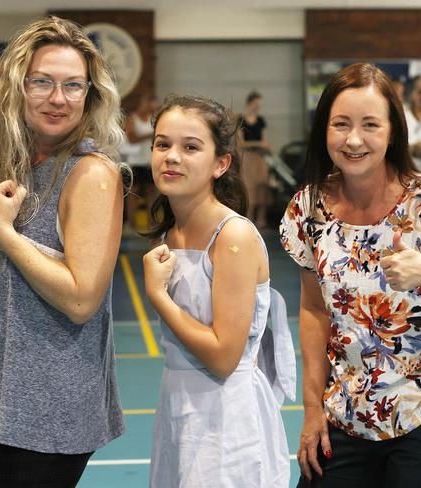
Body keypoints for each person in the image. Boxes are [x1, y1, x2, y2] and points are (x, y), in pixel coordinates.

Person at [280, 63, 421, 488]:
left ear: (392, 132)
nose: (354, 139)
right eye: (340, 124)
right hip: (350, 408)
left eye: (370, 124)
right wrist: (312, 410)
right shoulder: (308, 209)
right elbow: (313, 309)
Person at [0, 16, 128, 488]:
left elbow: (82, 300)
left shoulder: (91, 174)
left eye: (73, 86)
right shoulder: (0, 162)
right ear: (14, 88)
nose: (58, 98)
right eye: (42, 82)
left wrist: (5, 230)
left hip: (45, 409)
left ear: (89, 96)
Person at [143, 94, 295, 487]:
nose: (172, 156)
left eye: (190, 147)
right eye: (162, 144)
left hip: (226, 418)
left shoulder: (233, 236)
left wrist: (159, 297)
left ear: (220, 163)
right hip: (178, 406)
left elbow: (224, 356)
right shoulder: (170, 234)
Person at [120, 93, 158, 230]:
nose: (148, 106)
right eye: (146, 103)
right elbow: (132, 138)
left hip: (148, 162)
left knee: (151, 193)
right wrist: (149, 135)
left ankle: (151, 224)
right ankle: (132, 225)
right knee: (133, 194)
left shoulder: (153, 119)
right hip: (135, 162)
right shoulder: (132, 119)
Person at [239, 91, 271, 228]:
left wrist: (260, 145)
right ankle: (249, 215)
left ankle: (261, 217)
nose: (258, 107)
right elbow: (241, 143)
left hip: (259, 156)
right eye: (256, 104)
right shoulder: (240, 119)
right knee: (248, 186)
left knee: (263, 184)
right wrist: (258, 144)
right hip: (246, 157)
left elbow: (265, 141)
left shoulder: (261, 120)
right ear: (250, 103)